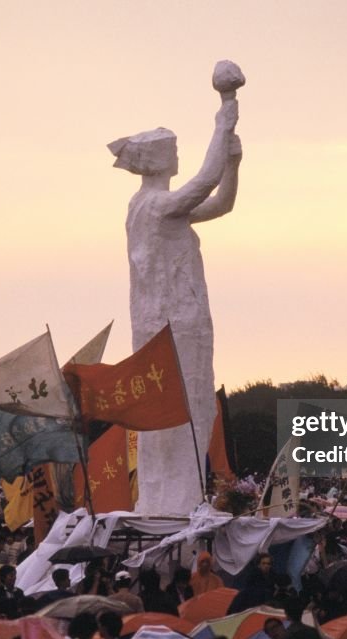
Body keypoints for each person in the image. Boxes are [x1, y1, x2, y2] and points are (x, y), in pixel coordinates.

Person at [109, 74, 242, 515]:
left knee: (192, 402)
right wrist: (225, 112)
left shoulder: (157, 207)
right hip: (172, 319)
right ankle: (173, 499)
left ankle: (173, 494)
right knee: (182, 405)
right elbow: (205, 180)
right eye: (174, 147)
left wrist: (234, 165)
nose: (179, 152)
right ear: (159, 159)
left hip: (175, 316)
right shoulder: (154, 205)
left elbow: (222, 204)